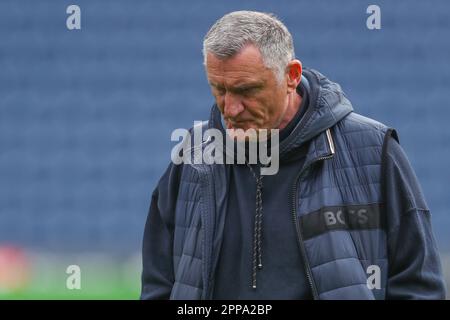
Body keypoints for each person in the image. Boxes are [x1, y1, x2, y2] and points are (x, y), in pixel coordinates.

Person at [140, 10, 446, 300]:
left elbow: (419, 285)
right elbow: (159, 285)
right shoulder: (194, 157)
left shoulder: (372, 149)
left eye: (247, 90)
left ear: (292, 76)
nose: (230, 108)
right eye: (218, 89)